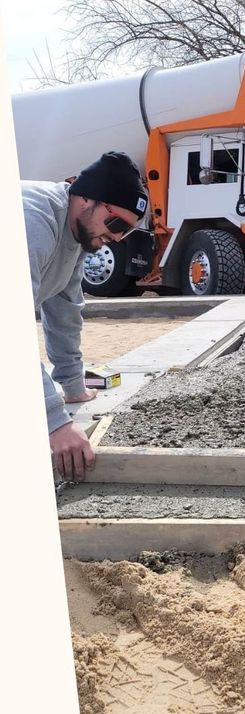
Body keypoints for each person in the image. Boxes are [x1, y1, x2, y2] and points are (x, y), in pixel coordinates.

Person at [26, 151, 148, 481]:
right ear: (86, 198)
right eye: (116, 224)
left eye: (127, 232)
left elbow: (64, 310)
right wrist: (56, 423)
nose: (117, 237)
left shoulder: (78, 238)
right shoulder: (31, 220)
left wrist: (73, 385)